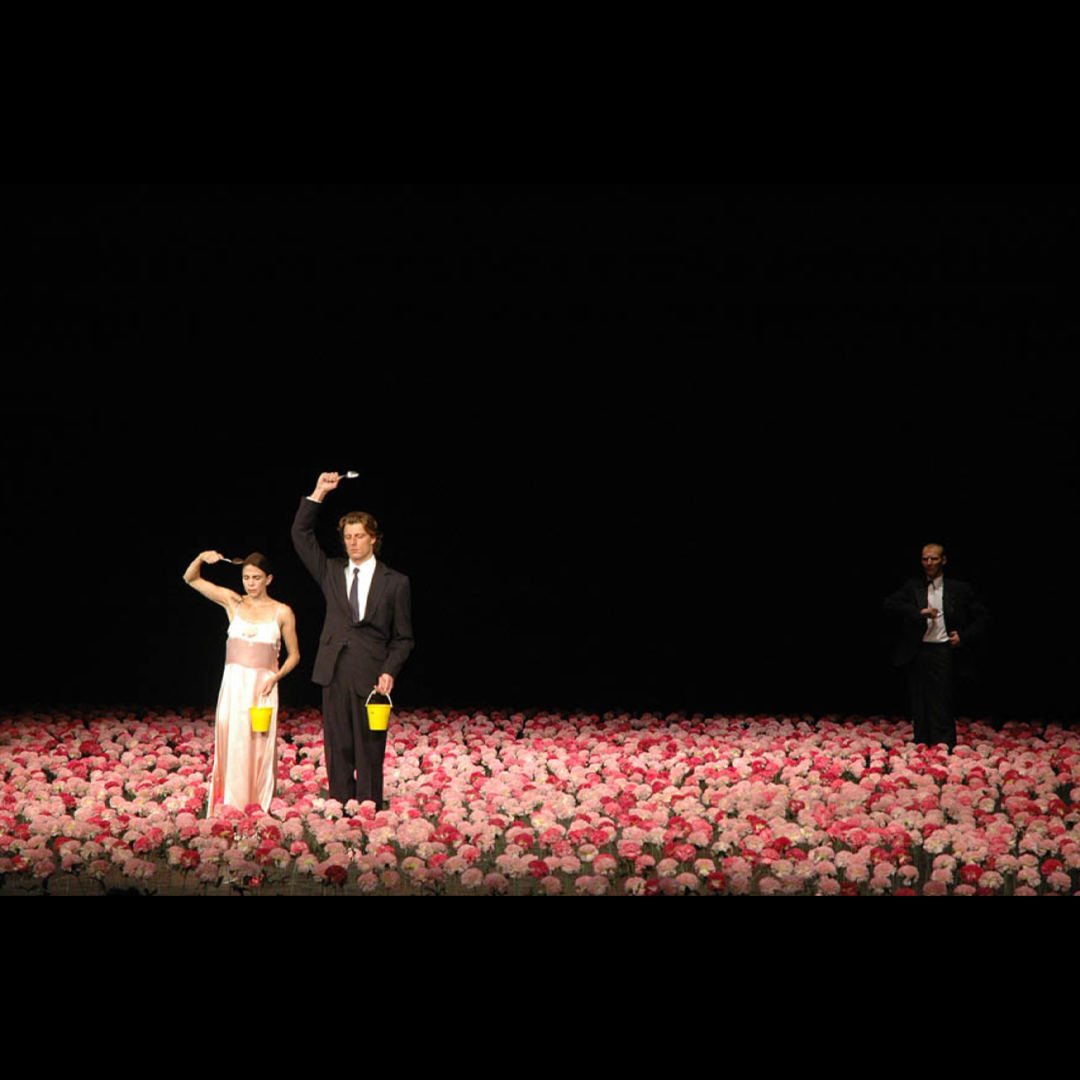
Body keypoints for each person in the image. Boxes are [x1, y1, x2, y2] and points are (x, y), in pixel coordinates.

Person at [291, 472, 414, 808]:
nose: (353, 542)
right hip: (333, 671)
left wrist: (389, 670)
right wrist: (318, 492)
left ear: (373, 538)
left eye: (359, 536)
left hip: (372, 675)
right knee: (338, 748)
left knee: (370, 748)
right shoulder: (331, 571)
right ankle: (340, 811)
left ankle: (369, 810)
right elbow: (301, 535)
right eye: (347, 537)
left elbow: (403, 638)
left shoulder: (395, 582)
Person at [183, 551, 300, 813]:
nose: (250, 583)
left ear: (268, 579)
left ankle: (256, 806)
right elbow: (191, 579)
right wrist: (201, 557)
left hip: (262, 687)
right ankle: (230, 806)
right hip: (234, 687)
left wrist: (276, 677)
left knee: (258, 745)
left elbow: (294, 656)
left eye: (256, 578)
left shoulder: (282, 612)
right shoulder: (233, 602)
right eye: (246, 577)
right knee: (232, 740)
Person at [883, 543, 989, 751]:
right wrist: (918, 612)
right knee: (919, 698)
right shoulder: (914, 586)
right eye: (925, 559)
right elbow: (890, 604)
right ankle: (921, 742)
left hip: (943, 650)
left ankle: (943, 744)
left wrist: (964, 637)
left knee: (942, 699)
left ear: (943, 560)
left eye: (933, 558)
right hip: (919, 650)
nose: (929, 563)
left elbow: (983, 616)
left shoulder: (958, 588)